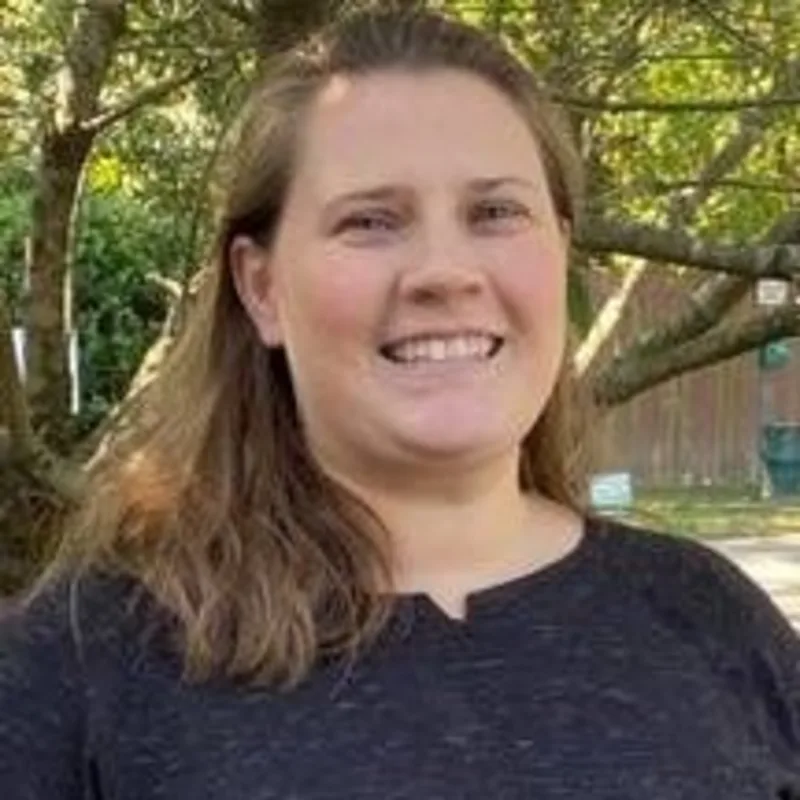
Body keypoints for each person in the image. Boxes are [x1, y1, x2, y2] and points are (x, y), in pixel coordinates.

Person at [1, 8, 798, 799]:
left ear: (560, 252)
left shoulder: (711, 621)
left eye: (494, 213)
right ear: (262, 286)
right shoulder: (85, 663)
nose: (444, 272)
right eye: (371, 221)